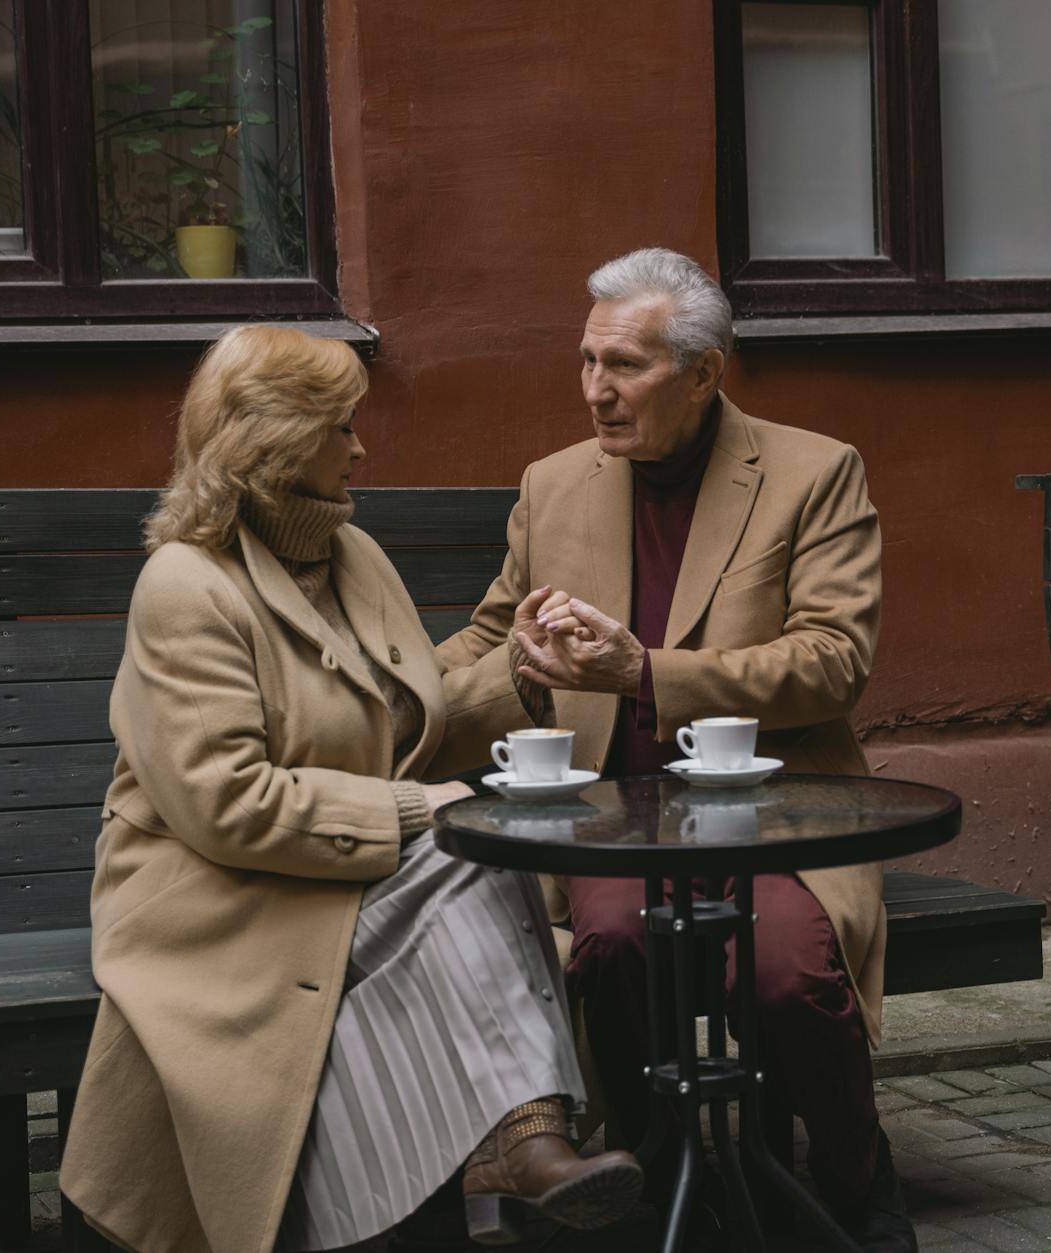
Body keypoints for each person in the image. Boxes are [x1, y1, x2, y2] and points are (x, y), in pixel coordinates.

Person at [57, 326, 641, 1253]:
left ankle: (518, 1149)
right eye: (342, 427)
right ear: (278, 440)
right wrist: (416, 809)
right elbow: (228, 805)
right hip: (222, 895)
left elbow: (410, 725)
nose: (362, 448)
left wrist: (518, 673)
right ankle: (517, 1148)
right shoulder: (186, 586)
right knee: (474, 853)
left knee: (479, 854)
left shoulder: (353, 552)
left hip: (346, 870)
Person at [435, 249, 914, 1250]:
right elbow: (486, 637)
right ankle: (652, 1169)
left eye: (624, 364)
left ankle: (853, 1165)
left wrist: (646, 672)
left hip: (775, 814)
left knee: (786, 971)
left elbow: (833, 661)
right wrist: (417, 694)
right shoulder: (554, 483)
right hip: (608, 817)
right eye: (586, 360)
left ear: (703, 373)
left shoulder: (812, 472)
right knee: (611, 944)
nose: (595, 390)